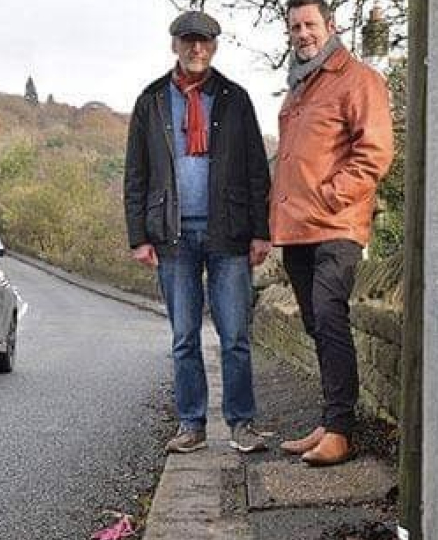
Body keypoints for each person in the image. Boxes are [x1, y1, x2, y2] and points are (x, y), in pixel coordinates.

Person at [124, 11, 272, 454]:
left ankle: (241, 424)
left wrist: (260, 232)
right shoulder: (150, 101)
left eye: (205, 42)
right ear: (175, 45)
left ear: (215, 46)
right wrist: (139, 236)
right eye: (189, 41)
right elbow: (137, 173)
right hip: (171, 235)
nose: (197, 49)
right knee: (184, 337)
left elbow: (256, 171)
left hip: (228, 232)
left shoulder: (235, 98)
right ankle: (191, 425)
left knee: (236, 336)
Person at [270, 0, 394, 466]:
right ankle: (329, 419)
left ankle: (342, 430)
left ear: (331, 26)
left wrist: (329, 197)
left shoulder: (357, 78)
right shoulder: (299, 86)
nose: (303, 33)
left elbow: (375, 151)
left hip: (336, 224)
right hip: (296, 228)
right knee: (313, 323)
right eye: (295, 27)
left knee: (329, 315)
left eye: (310, 24)